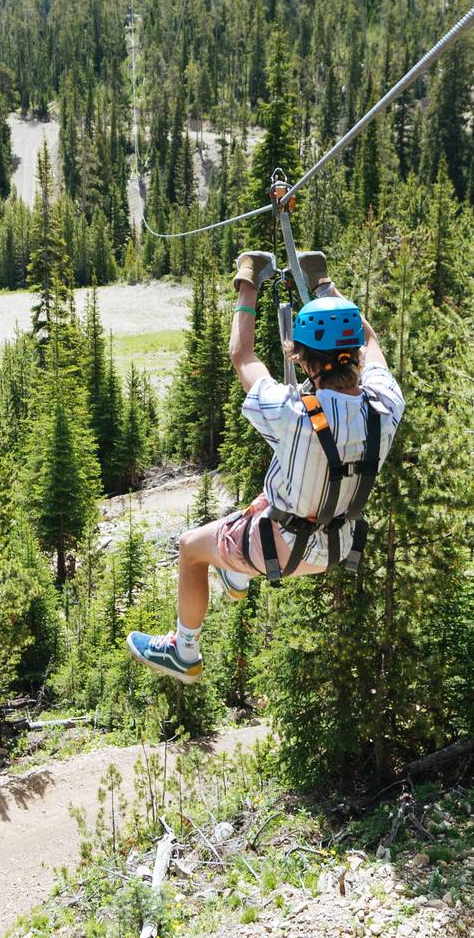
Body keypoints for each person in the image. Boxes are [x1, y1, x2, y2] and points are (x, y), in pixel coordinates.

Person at [127, 249, 406, 685]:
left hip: (277, 549)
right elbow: (374, 345)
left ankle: (184, 650)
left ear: (308, 363)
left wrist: (247, 280)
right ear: (352, 356)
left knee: (189, 547)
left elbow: (242, 355)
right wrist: (324, 285)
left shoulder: (293, 413)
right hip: (337, 545)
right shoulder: (385, 406)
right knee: (274, 493)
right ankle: (236, 573)